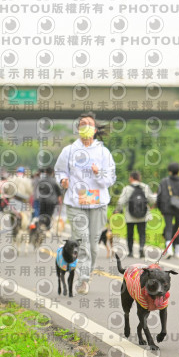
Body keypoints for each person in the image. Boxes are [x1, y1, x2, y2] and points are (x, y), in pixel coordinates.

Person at [55, 112, 116, 295]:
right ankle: (82, 279)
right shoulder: (69, 151)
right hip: (75, 202)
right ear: (78, 129)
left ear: (95, 130)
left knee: (94, 245)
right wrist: (63, 180)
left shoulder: (104, 152)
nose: (85, 127)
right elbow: (59, 171)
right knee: (82, 241)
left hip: (98, 203)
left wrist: (98, 173)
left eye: (89, 124)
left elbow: (110, 178)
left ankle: (87, 274)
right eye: (82, 124)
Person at [114, 171, 156, 258]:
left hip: (130, 215)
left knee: (130, 234)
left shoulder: (127, 189)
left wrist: (118, 210)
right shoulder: (145, 187)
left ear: (131, 178)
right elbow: (153, 200)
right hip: (143, 215)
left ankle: (130, 252)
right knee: (142, 233)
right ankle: (141, 247)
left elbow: (120, 202)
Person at [157, 162, 179, 259]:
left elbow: (159, 197)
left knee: (168, 228)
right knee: (178, 229)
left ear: (169, 171)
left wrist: (161, 209)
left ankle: (169, 250)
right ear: (178, 171)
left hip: (167, 209)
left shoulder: (164, 182)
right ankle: (177, 251)